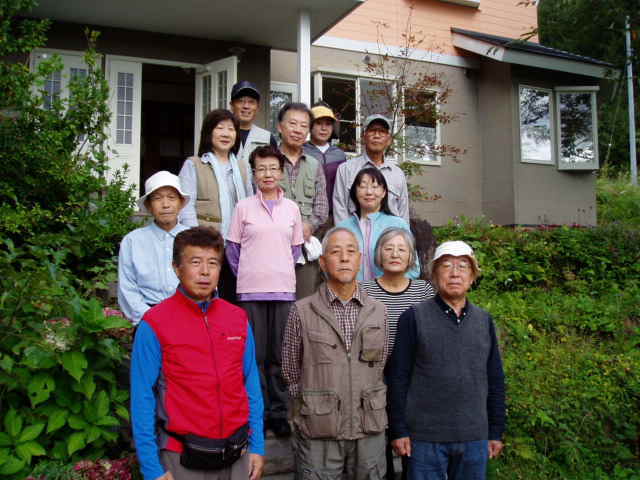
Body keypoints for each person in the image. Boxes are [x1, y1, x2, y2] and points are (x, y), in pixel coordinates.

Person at [131, 226, 265, 480]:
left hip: (237, 453)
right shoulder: (155, 323)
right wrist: (151, 467)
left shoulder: (237, 318)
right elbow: (142, 397)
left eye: (212, 263)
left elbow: (251, 383)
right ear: (176, 267)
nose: (205, 271)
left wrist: (257, 445)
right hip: (182, 456)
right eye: (195, 262)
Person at [388, 241, 506, 480]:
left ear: (472, 277)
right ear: (434, 274)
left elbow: (495, 379)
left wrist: (496, 431)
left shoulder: (484, 321)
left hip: (474, 437)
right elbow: (397, 378)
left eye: (463, 266)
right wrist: (398, 429)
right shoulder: (413, 318)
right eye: (446, 266)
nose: (454, 273)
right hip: (424, 439)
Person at [282, 227, 389, 480]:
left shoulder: (378, 310)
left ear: (360, 260)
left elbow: (381, 364)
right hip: (319, 429)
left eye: (351, 252)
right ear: (322, 262)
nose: (344, 258)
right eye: (335, 252)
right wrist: (310, 407)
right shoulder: (302, 311)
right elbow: (290, 370)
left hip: (368, 427)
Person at [226, 145, 304, 437]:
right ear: (254, 174)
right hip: (251, 292)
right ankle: (256, 411)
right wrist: (250, 273)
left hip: (283, 290)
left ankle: (279, 413)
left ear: (281, 172)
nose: (267, 174)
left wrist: (276, 269)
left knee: (279, 355)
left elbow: (295, 249)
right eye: (261, 169)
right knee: (254, 355)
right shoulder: (243, 207)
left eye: (273, 168)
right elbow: (233, 249)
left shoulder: (292, 208)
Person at [360, 227, 436, 480]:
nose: (395, 254)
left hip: (413, 380)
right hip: (374, 378)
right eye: (388, 248)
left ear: (411, 256)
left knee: (412, 449)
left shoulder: (424, 291)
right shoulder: (364, 290)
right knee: (378, 446)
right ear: (378, 255)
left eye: (402, 249)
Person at [179, 108, 253, 302]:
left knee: (234, 298)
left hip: (238, 245)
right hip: (207, 244)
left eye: (231, 129)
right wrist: (196, 242)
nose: (226, 133)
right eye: (220, 128)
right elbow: (186, 207)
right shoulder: (194, 164)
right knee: (206, 296)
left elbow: (250, 204)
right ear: (209, 132)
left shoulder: (243, 167)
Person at [118, 171, 190, 325]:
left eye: (171, 197)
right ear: (149, 206)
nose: (165, 204)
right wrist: (152, 318)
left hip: (188, 316)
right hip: (147, 318)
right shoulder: (132, 241)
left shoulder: (194, 238)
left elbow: (206, 283)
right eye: (157, 198)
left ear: (181, 203)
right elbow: (127, 289)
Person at [277, 102, 329, 298]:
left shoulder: (314, 165)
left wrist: (309, 225)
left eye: (303, 125)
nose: (298, 130)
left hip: (304, 248)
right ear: (280, 127)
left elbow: (322, 207)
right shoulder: (267, 161)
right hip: (272, 245)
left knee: (304, 303)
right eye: (292, 123)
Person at [336, 168, 419, 282]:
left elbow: (413, 268)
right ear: (355, 192)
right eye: (363, 186)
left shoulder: (398, 224)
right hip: (352, 291)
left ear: (384, 192)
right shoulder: (343, 228)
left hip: (389, 291)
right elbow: (332, 265)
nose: (369, 192)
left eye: (375, 187)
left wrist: (391, 288)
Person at [334, 114, 409, 224]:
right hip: (356, 231)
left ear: (389, 140)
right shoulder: (346, 169)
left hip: (391, 232)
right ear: (364, 137)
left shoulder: (398, 174)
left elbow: (403, 212)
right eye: (372, 131)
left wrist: (403, 233)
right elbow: (340, 209)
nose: (376, 135)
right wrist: (347, 234)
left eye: (382, 132)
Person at [303, 105, 347, 218]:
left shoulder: (339, 155)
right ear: (310, 126)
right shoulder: (301, 152)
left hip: (333, 216)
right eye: (318, 123)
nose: (324, 128)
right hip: (306, 215)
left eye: (328, 124)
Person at [229, 80, 278, 167]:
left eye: (251, 102)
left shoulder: (267, 138)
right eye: (241, 101)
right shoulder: (222, 135)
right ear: (232, 106)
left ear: (257, 108)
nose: (246, 106)